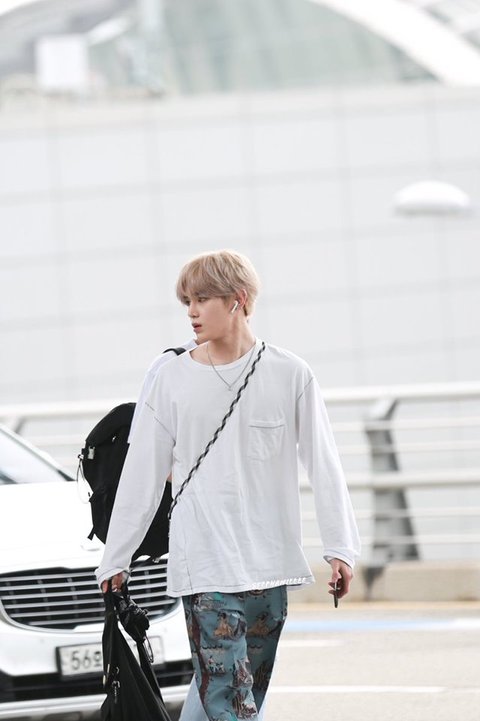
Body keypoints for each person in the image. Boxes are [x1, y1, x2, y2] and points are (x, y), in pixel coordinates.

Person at [96, 249, 360, 721]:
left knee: (240, 696)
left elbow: (323, 462)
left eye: (202, 299)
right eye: (187, 302)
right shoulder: (171, 378)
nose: (192, 312)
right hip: (205, 565)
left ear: (237, 300)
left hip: (269, 566)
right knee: (230, 701)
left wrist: (340, 547)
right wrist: (116, 558)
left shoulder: (290, 374)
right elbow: (143, 472)